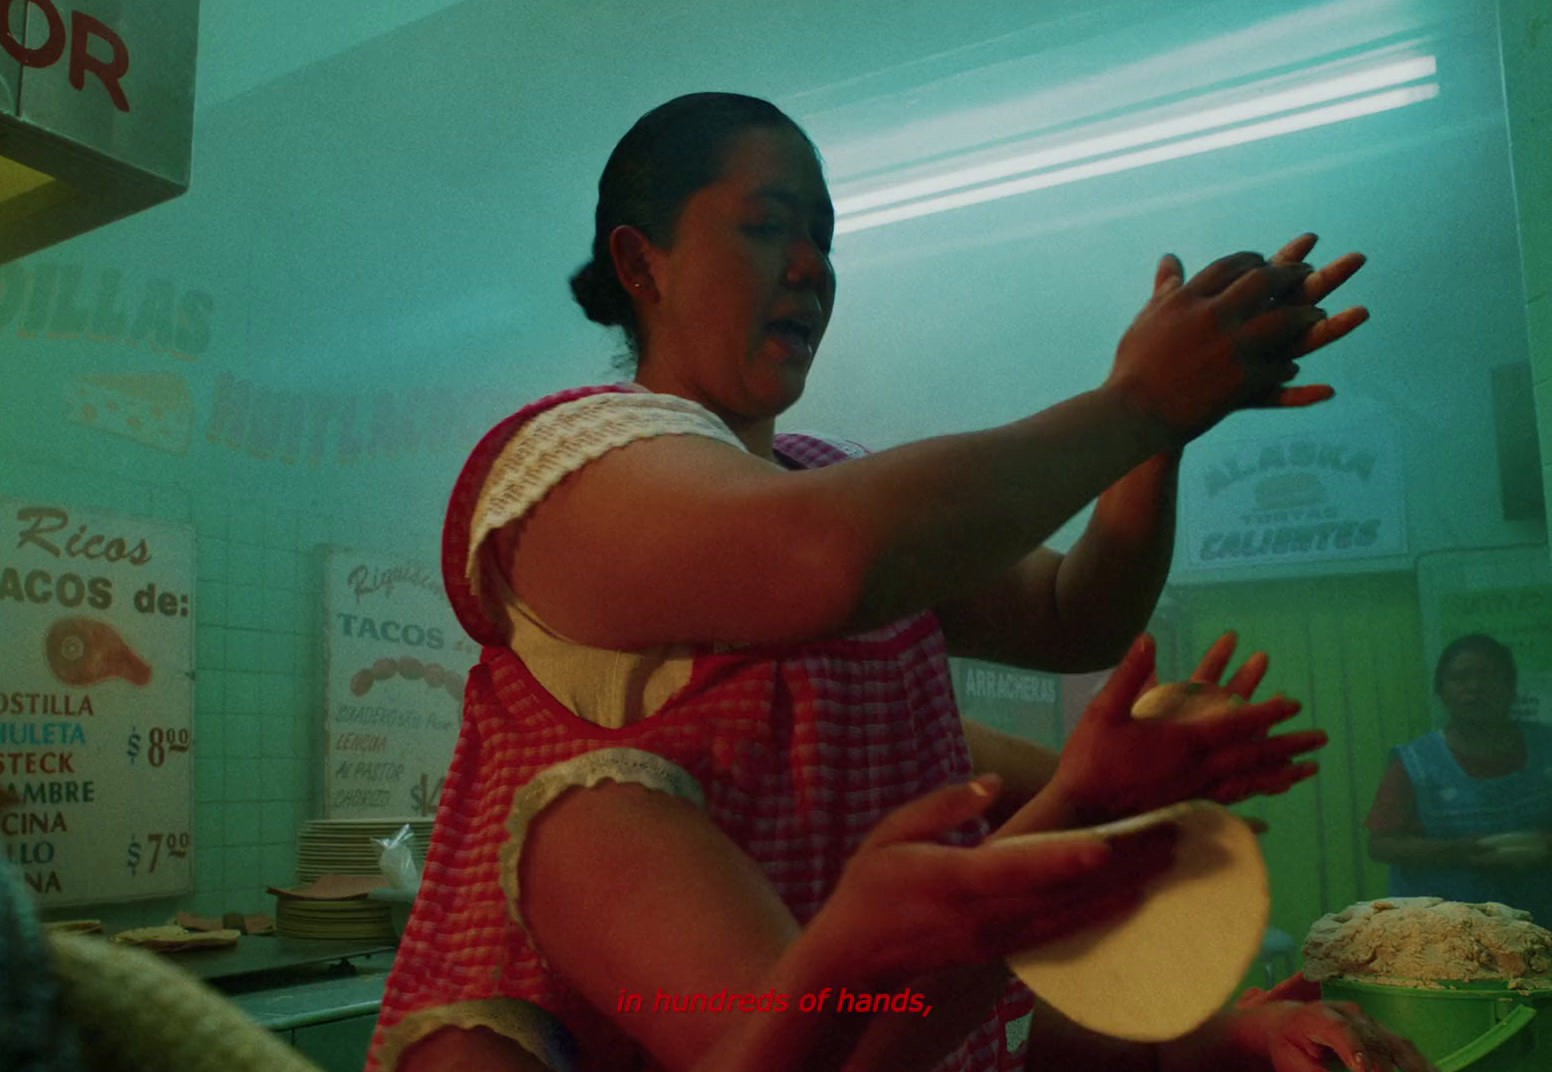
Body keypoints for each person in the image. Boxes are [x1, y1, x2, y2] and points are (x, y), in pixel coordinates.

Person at [369, 92, 1426, 1072]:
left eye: (824, 237)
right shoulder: (566, 464)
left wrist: (1159, 438)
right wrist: (1136, 403)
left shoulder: (823, 475)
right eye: (767, 225)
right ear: (642, 266)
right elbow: (820, 563)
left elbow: (1075, 614)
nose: (809, 265)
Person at [1366, 633, 1552, 922]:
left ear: (1511, 687)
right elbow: (1380, 845)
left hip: (1541, 924)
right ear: (1441, 691)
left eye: (1488, 676)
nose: (1475, 688)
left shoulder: (1547, 747)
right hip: (1444, 933)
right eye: (1460, 678)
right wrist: (1455, 851)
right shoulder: (1416, 763)